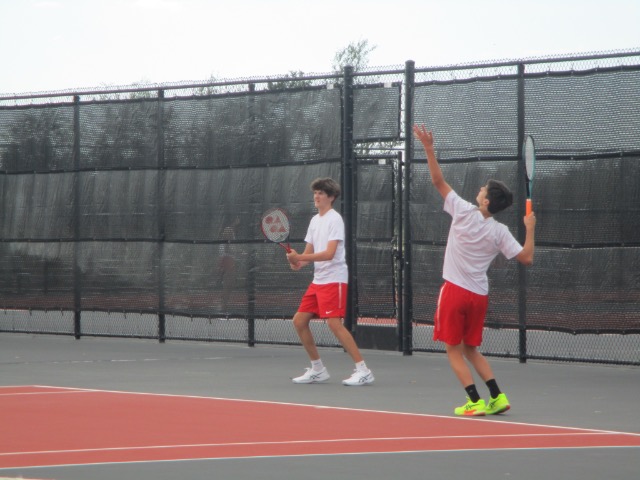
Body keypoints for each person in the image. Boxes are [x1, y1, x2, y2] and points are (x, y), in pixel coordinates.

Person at [413, 125, 536, 416]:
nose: (478, 190)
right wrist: (530, 229)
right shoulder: (500, 231)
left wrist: (428, 148)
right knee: (470, 349)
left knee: (453, 350)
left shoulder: (463, 210)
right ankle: (497, 397)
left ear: (486, 201)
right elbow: (527, 258)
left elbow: (437, 180)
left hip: (454, 292)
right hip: (478, 296)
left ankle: (474, 401)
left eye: (482, 189)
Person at [285, 177, 374, 386]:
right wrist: (296, 262)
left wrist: (301, 257)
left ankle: (364, 370)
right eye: (315, 193)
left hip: (334, 279)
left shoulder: (335, 219)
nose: (316, 196)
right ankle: (318, 369)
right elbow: (307, 255)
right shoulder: (314, 221)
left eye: (321, 193)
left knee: (334, 323)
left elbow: (329, 253)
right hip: (318, 281)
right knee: (299, 321)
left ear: (331, 197)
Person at [218, 216, 240, 312]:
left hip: (229, 260)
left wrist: (235, 223)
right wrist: (238, 252)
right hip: (227, 260)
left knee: (230, 284)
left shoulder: (230, 237)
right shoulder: (226, 241)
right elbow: (228, 250)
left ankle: (224, 303)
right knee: (227, 284)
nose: (231, 233)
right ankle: (223, 305)